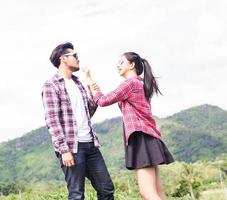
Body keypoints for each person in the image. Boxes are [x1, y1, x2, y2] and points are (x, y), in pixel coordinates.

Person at [86, 52, 174, 200]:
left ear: (132, 65)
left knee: (148, 193)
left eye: (121, 62)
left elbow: (103, 100)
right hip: (149, 137)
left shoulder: (130, 83)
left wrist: (89, 79)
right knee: (158, 193)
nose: (118, 66)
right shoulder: (140, 83)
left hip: (140, 138)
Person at [41, 42, 114, 200]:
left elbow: (88, 112)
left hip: (91, 144)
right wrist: (64, 149)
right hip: (72, 147)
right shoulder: (51, 85)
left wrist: (91, 90)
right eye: (75, 55)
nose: (78, 59)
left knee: (106, 189)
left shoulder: (78, 83)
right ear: (63, 59)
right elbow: (52, 120)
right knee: (76, 194)